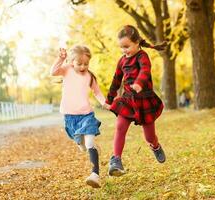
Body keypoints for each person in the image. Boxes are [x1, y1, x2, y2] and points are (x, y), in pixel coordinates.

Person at [105, 25, 166, 176]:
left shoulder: (142, 56)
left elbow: (145, 71)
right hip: (127, 100)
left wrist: (139, 84)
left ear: (137, 42)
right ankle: (116, 159)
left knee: (149, 136)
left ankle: (155, 146)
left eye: (127, 46)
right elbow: (116, 80)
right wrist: (109, 99)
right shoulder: (122, 61)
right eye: (121, 47)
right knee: (120, 127)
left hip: (144, 100)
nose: (124, 50)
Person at [50, 45, 109, 188]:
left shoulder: (90, 76)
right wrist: (61, 58)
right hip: (70, 118)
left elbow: (97, 92)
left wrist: (105, 103)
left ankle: (95, 174)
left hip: (86, 115)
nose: (83, 67)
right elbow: (53, 72)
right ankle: (82, 143)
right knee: (82, 145)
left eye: (86, 64)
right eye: (79, 64)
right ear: (72, 61)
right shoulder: (66, 69)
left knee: (89, 143)